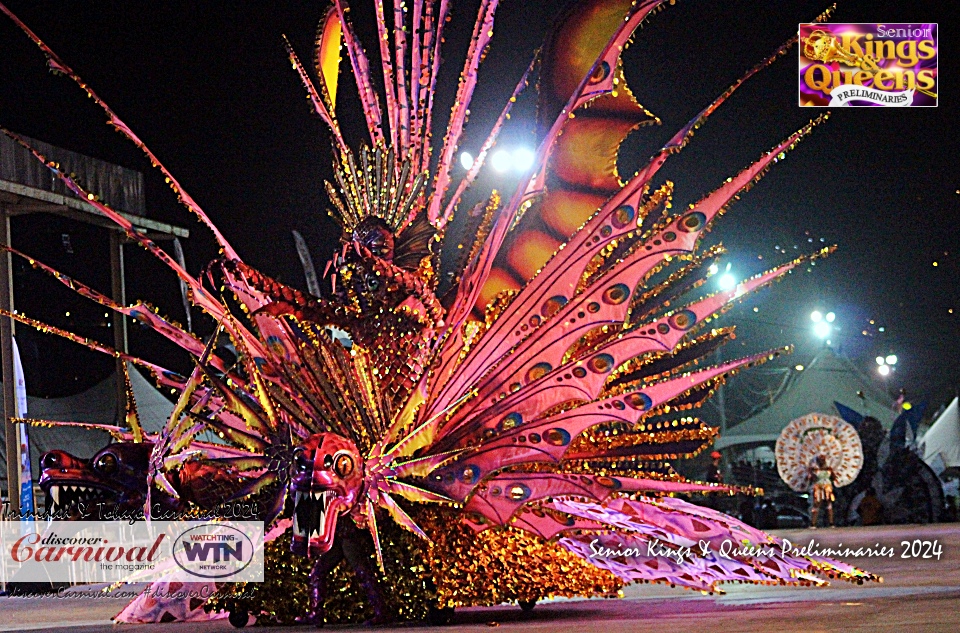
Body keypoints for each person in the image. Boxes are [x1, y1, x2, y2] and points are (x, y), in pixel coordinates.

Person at [808, 455, 835, 528]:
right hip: (818, 487)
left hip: (827, 487)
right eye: (820, 460)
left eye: (823, 459)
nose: (822, 461)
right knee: (817, 504)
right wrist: (811, 472)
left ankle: (831, 523)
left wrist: (831, 471)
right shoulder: (815, 470)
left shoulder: (828, 469)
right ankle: (813, 523)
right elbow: (812, 479)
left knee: (829, 504)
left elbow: (833, 477)